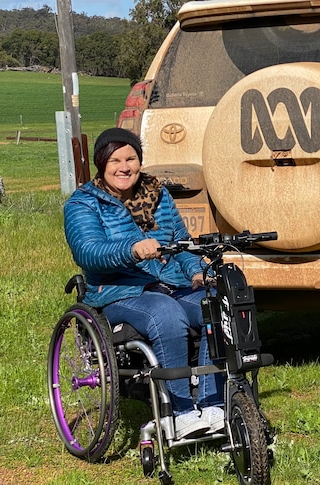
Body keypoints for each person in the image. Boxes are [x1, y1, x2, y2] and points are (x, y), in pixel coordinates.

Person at [63, 127, 224, 439]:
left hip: (170, 285)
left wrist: (195, 270)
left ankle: (211, 404)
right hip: (117, 293)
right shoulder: (83, 203)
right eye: (115, 160)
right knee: (164, 312)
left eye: (131, 158)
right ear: (101, 163)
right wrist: (131, 250)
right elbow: (88, 253)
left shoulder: (158, 194)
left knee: (217, 303)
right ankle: (179, 411)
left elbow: (182, 243)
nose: (125, 167)